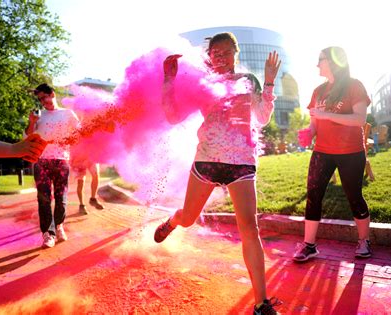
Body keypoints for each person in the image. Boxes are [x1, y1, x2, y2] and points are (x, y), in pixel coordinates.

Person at [154, 32, 281, 315]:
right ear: (209, 56)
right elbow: (172, 116)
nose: (220, 58)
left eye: (225, 52)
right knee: (188, 218)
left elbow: (262, 117)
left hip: (241, 163)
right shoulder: (202, 84)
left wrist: (269, 82)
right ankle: (173, 221)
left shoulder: (249, 81)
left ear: (236, 53)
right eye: (215, 53)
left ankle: (261, 304)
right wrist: (169, 80)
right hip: (208, 160)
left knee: (250, 228)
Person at [294, 46, 372, 262]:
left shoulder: (354, 85)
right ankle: (309, 245)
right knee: (314, 195)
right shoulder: (318, 91)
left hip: (351, 151)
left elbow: (359, 120)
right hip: (322, 151)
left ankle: (364, 240)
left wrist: (326, 115)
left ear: (333, 61)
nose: (317, 64)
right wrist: (308, 133)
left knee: (354, 196)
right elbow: (315, 124)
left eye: (320, 59)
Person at [25, 83, 80, 249]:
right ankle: (48, 234)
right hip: (42, 161)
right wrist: (32, 122)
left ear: (52, 94)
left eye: (45, 97)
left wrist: (72, 139)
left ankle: (59, 225)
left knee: (61, 200)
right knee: (44, 200)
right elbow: (28, 136)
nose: (43, 101)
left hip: (61, 160)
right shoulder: (38, 116)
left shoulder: (68, 114)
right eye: (40, 99)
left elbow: (79, 133)